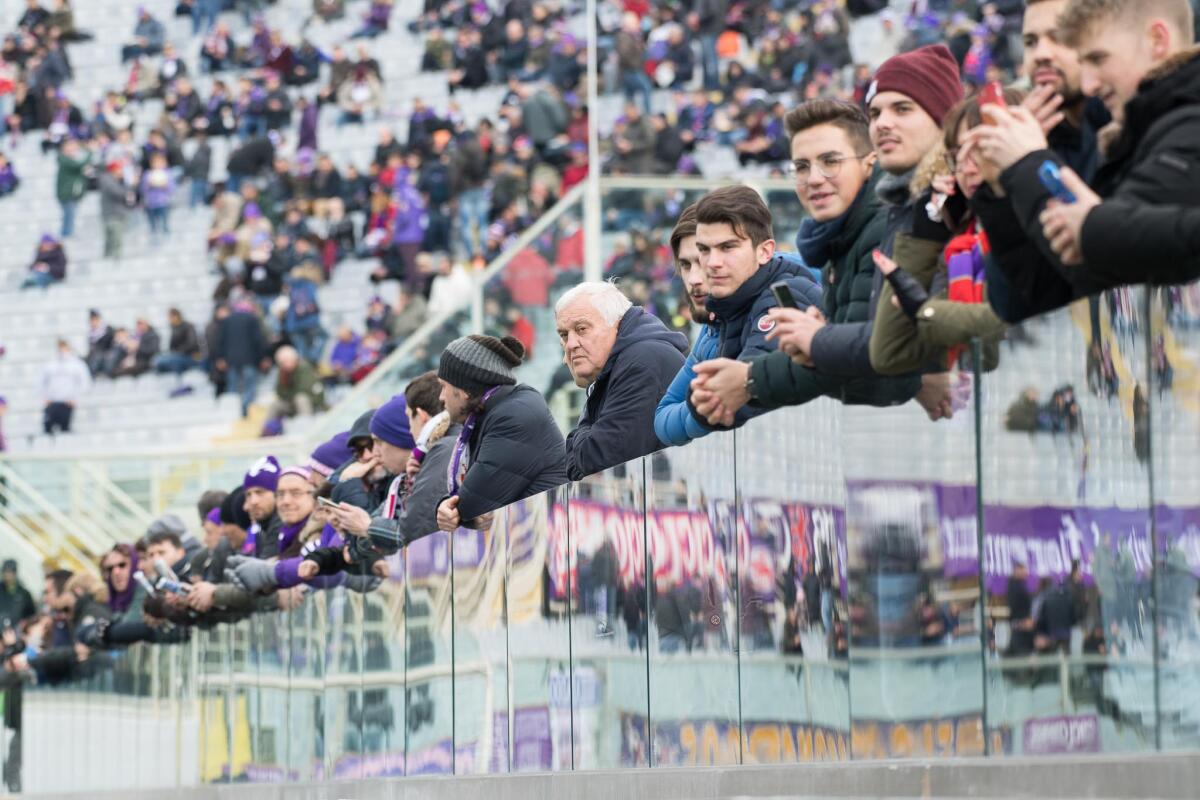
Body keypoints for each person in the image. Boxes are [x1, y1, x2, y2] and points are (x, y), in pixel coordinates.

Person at [693, 99, 928, 423]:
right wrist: (817, 349)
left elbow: (879, 364)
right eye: (801, 166)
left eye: (830, 161)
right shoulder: (837, 239)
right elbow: (850, 367)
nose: (813, 178)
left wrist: (752, 378)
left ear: (868, 163)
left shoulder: (886, 229)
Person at [968, 0, 1200, 316]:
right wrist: (1001, 190)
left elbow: (1106, 275)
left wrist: (1028, 164)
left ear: (1157, 41)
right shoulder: (1128, 134)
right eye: (1030, 41)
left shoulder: (1181, 125)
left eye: (1097, 57)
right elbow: (1037, 300)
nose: (1090, 84)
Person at [869, 91, 1015, 376]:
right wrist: (928, 233)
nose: (966, 168)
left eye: (981, 149)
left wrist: (924, 310)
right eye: (957, 155)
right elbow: (889, 353)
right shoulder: (962, 244)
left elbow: (1001, 325)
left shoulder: (1039, 226)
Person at [678, 184, 824, 430]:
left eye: (728, 247)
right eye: (704, 250)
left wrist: (703, 395)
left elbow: (730, 404)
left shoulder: (780, 298)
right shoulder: (735, 304)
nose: (712, 263)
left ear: (765, 251)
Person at [434, 335, 567, 531]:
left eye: (444, 387)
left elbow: (473, 503)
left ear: (464, 391)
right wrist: (446, 507)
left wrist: (453, 510)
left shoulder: (514, 416)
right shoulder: (491, 414)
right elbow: (471, 503)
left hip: (554, 544)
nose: (441, 397)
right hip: (536, 542)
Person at [557, 282, 688, 480]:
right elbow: (576, 466)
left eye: (581, 329)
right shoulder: (620, 365)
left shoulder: (643, 360)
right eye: (565, 335)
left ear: (616, 324)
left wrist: (578, 438)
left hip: (670, 502)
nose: (571, 344)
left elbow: (597, 460)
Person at [654, 205, 721, 447]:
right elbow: (663, 418)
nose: (693, 279)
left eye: (702, 262)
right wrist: (701, 409)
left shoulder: (772, 311)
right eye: (685, 265)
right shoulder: (711, 330)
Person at [214, 299, 267, 417]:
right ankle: (245, 409)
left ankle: (233, 412)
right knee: (250, 386)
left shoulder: (227, 321)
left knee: (233, 387)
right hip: (249, 359)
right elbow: (258, 340)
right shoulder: (252, 319)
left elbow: (221, 341)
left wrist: (221, 357)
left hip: (231, 360)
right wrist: (262, 357)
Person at [40, 339, 90, 435]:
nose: (62, 351)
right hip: (52, 402)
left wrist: (75, 398)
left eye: (64, 348)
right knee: (47, 428)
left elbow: (85, 383)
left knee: (65, 429)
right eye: (60, 348)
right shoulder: (50, 364)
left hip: (67, 402)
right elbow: (41, 381)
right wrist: (45, 397)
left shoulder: (77, 364)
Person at [271, 345, 327, 419]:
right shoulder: (283, 372)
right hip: (292, 401)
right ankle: (268, 427)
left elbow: (304, 389)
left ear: (294, 358)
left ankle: (306, 422)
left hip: (313, 400)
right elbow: (279, 391)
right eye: (283, 362)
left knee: (300, 398)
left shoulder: (304, 367)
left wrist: (288, 394)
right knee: (276, 404)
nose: (286, 365)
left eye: (287, 361)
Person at [155, 308, 203, 376]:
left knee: (174, 361)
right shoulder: (174, 328)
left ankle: (179, 381)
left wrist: (178, 351)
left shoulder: (188, 326)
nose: (170, 319)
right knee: (158, 359)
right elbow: (171, 347)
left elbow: (192, 344)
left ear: (177, 316)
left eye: (171, 317)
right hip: (178, 355)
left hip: (191, 356)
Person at [0, 561, 36, 626]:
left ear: (14, 573)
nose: (7, 575)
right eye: (5, 571)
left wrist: (25, 623)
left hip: (15, 630)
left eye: (9, 572)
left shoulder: (24, 594)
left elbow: (31, 614)